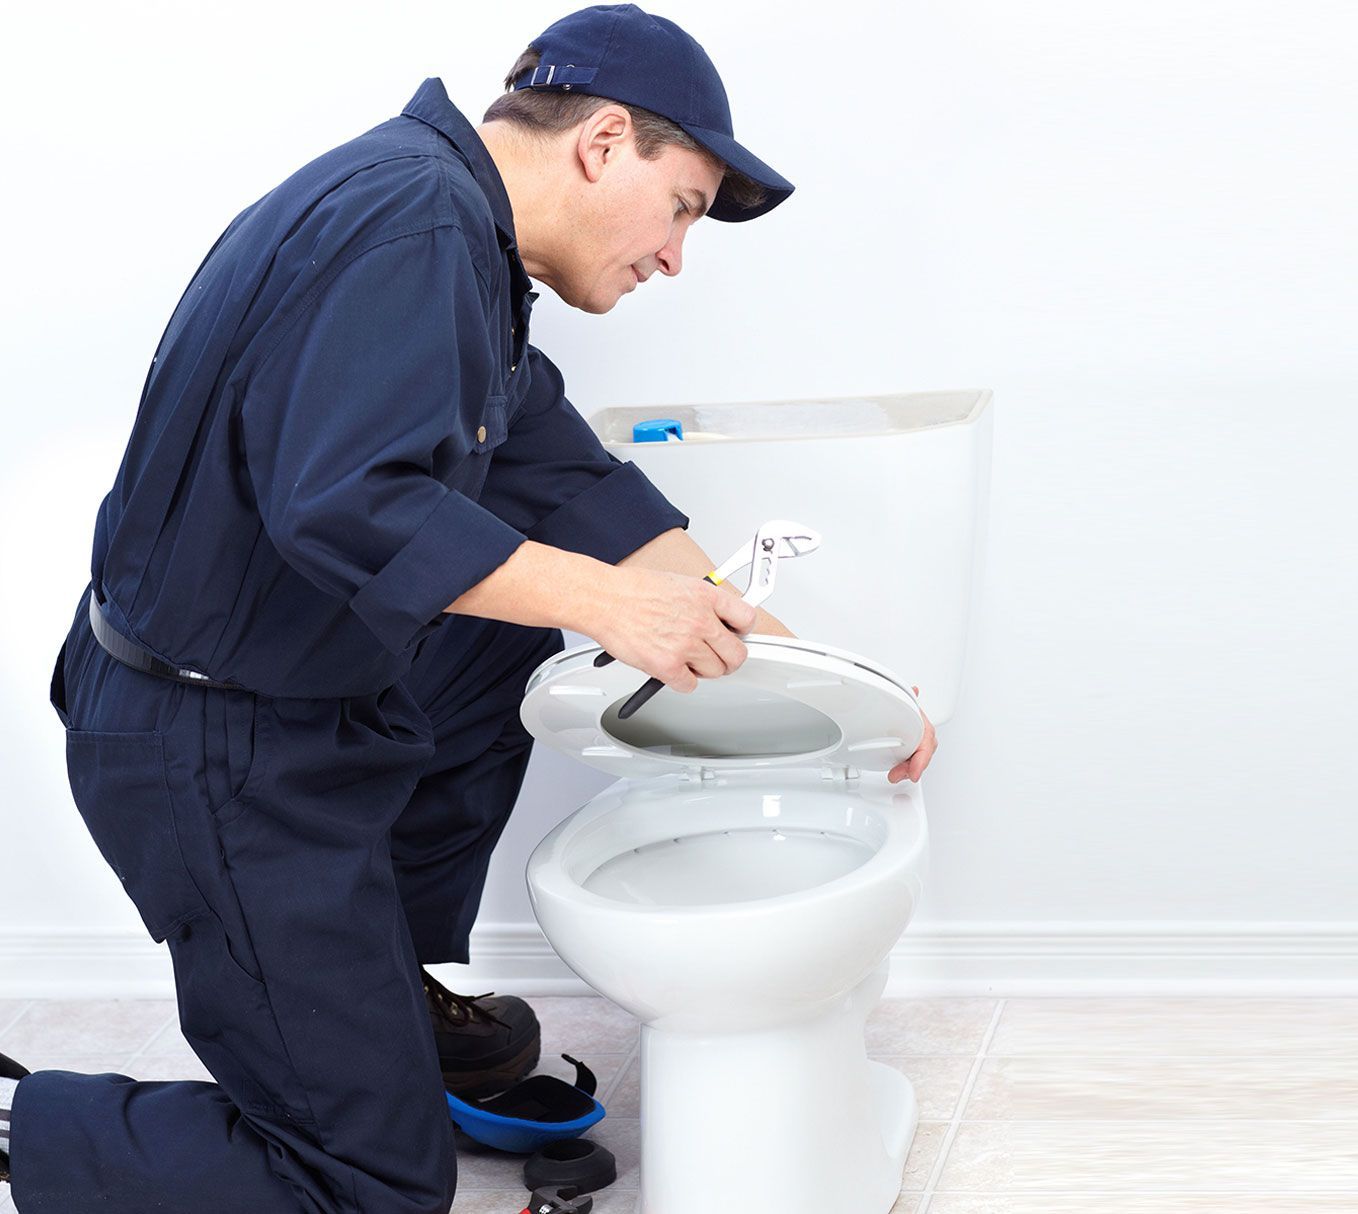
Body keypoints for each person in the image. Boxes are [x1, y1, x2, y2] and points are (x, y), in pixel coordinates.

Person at [0, 5, 937, 1210]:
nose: (676, 257)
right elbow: (347, 505)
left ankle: (390, 998)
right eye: (684, 208)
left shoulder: (462, 242)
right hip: (212, 754)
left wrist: (810, 676)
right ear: (603, 144)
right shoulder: (412, 224)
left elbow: (563, 474)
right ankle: (27, 1125)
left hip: (288, 696)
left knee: (498, 647)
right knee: (372, 1186)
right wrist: (617, 607)